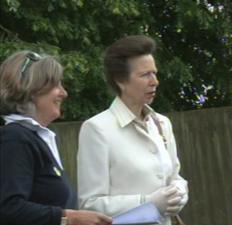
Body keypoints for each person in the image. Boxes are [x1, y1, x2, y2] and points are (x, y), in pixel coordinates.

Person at [77, 35, 188, 225]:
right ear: (120, 80)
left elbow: (175, 178)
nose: (155, 81)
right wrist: (147, 203)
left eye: (154, 73)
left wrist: (179, 193)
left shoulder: (162, 123)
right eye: (145, 75)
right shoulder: (97, 129)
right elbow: (90, 205)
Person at [0, 51, 112, 225]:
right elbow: (8, 208)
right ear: (32, 90)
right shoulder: (15, 139)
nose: (64, 93)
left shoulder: (40, 138)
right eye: (56, 85)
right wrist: (70, 218)